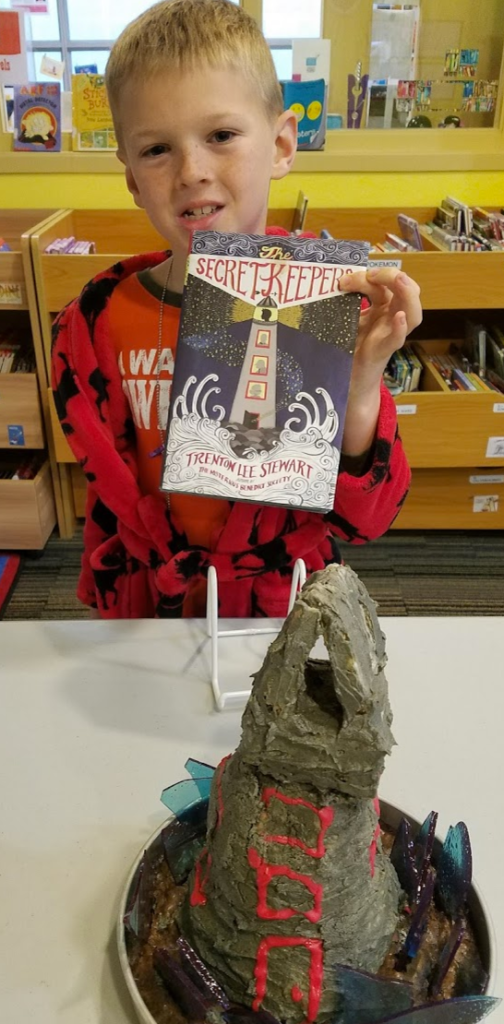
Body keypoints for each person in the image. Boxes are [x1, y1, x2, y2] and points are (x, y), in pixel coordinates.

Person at [51, 0, 422, 619]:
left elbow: (367, 519)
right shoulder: (96, 324)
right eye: (156, 149)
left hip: (281, 605)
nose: (192, 171)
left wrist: (359, 386)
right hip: (150, 609)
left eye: (221, 136)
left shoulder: (323, 304)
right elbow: (109, 499)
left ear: (281, 144)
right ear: (132, 178)